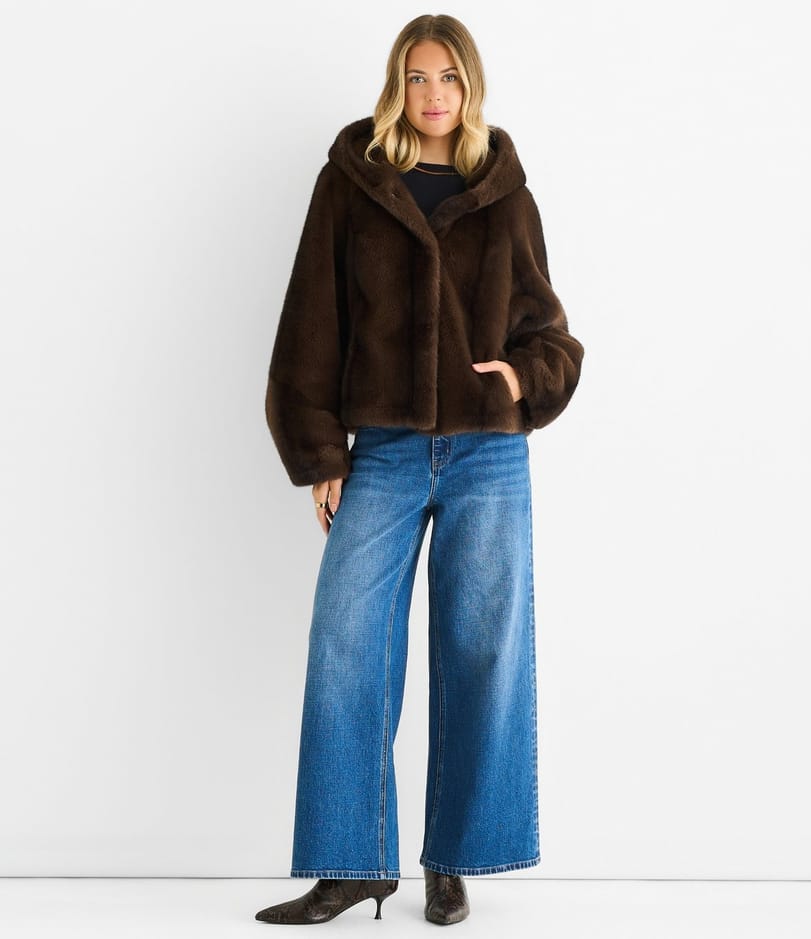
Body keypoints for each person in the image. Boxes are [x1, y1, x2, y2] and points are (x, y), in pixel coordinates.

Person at [255, 13, 584, 927]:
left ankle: (453, 863)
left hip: (489, 452)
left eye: (449, 78)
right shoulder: (351, 182)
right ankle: (351, 863)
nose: (434, 94)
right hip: (387, 451)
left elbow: (551, 331)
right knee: (347, 639)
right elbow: (310, 319)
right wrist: (321, 451)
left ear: (470, 87)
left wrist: (522, 377)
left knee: (482, 650)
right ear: (396, 85)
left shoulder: (504, 192)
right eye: (417, 76)